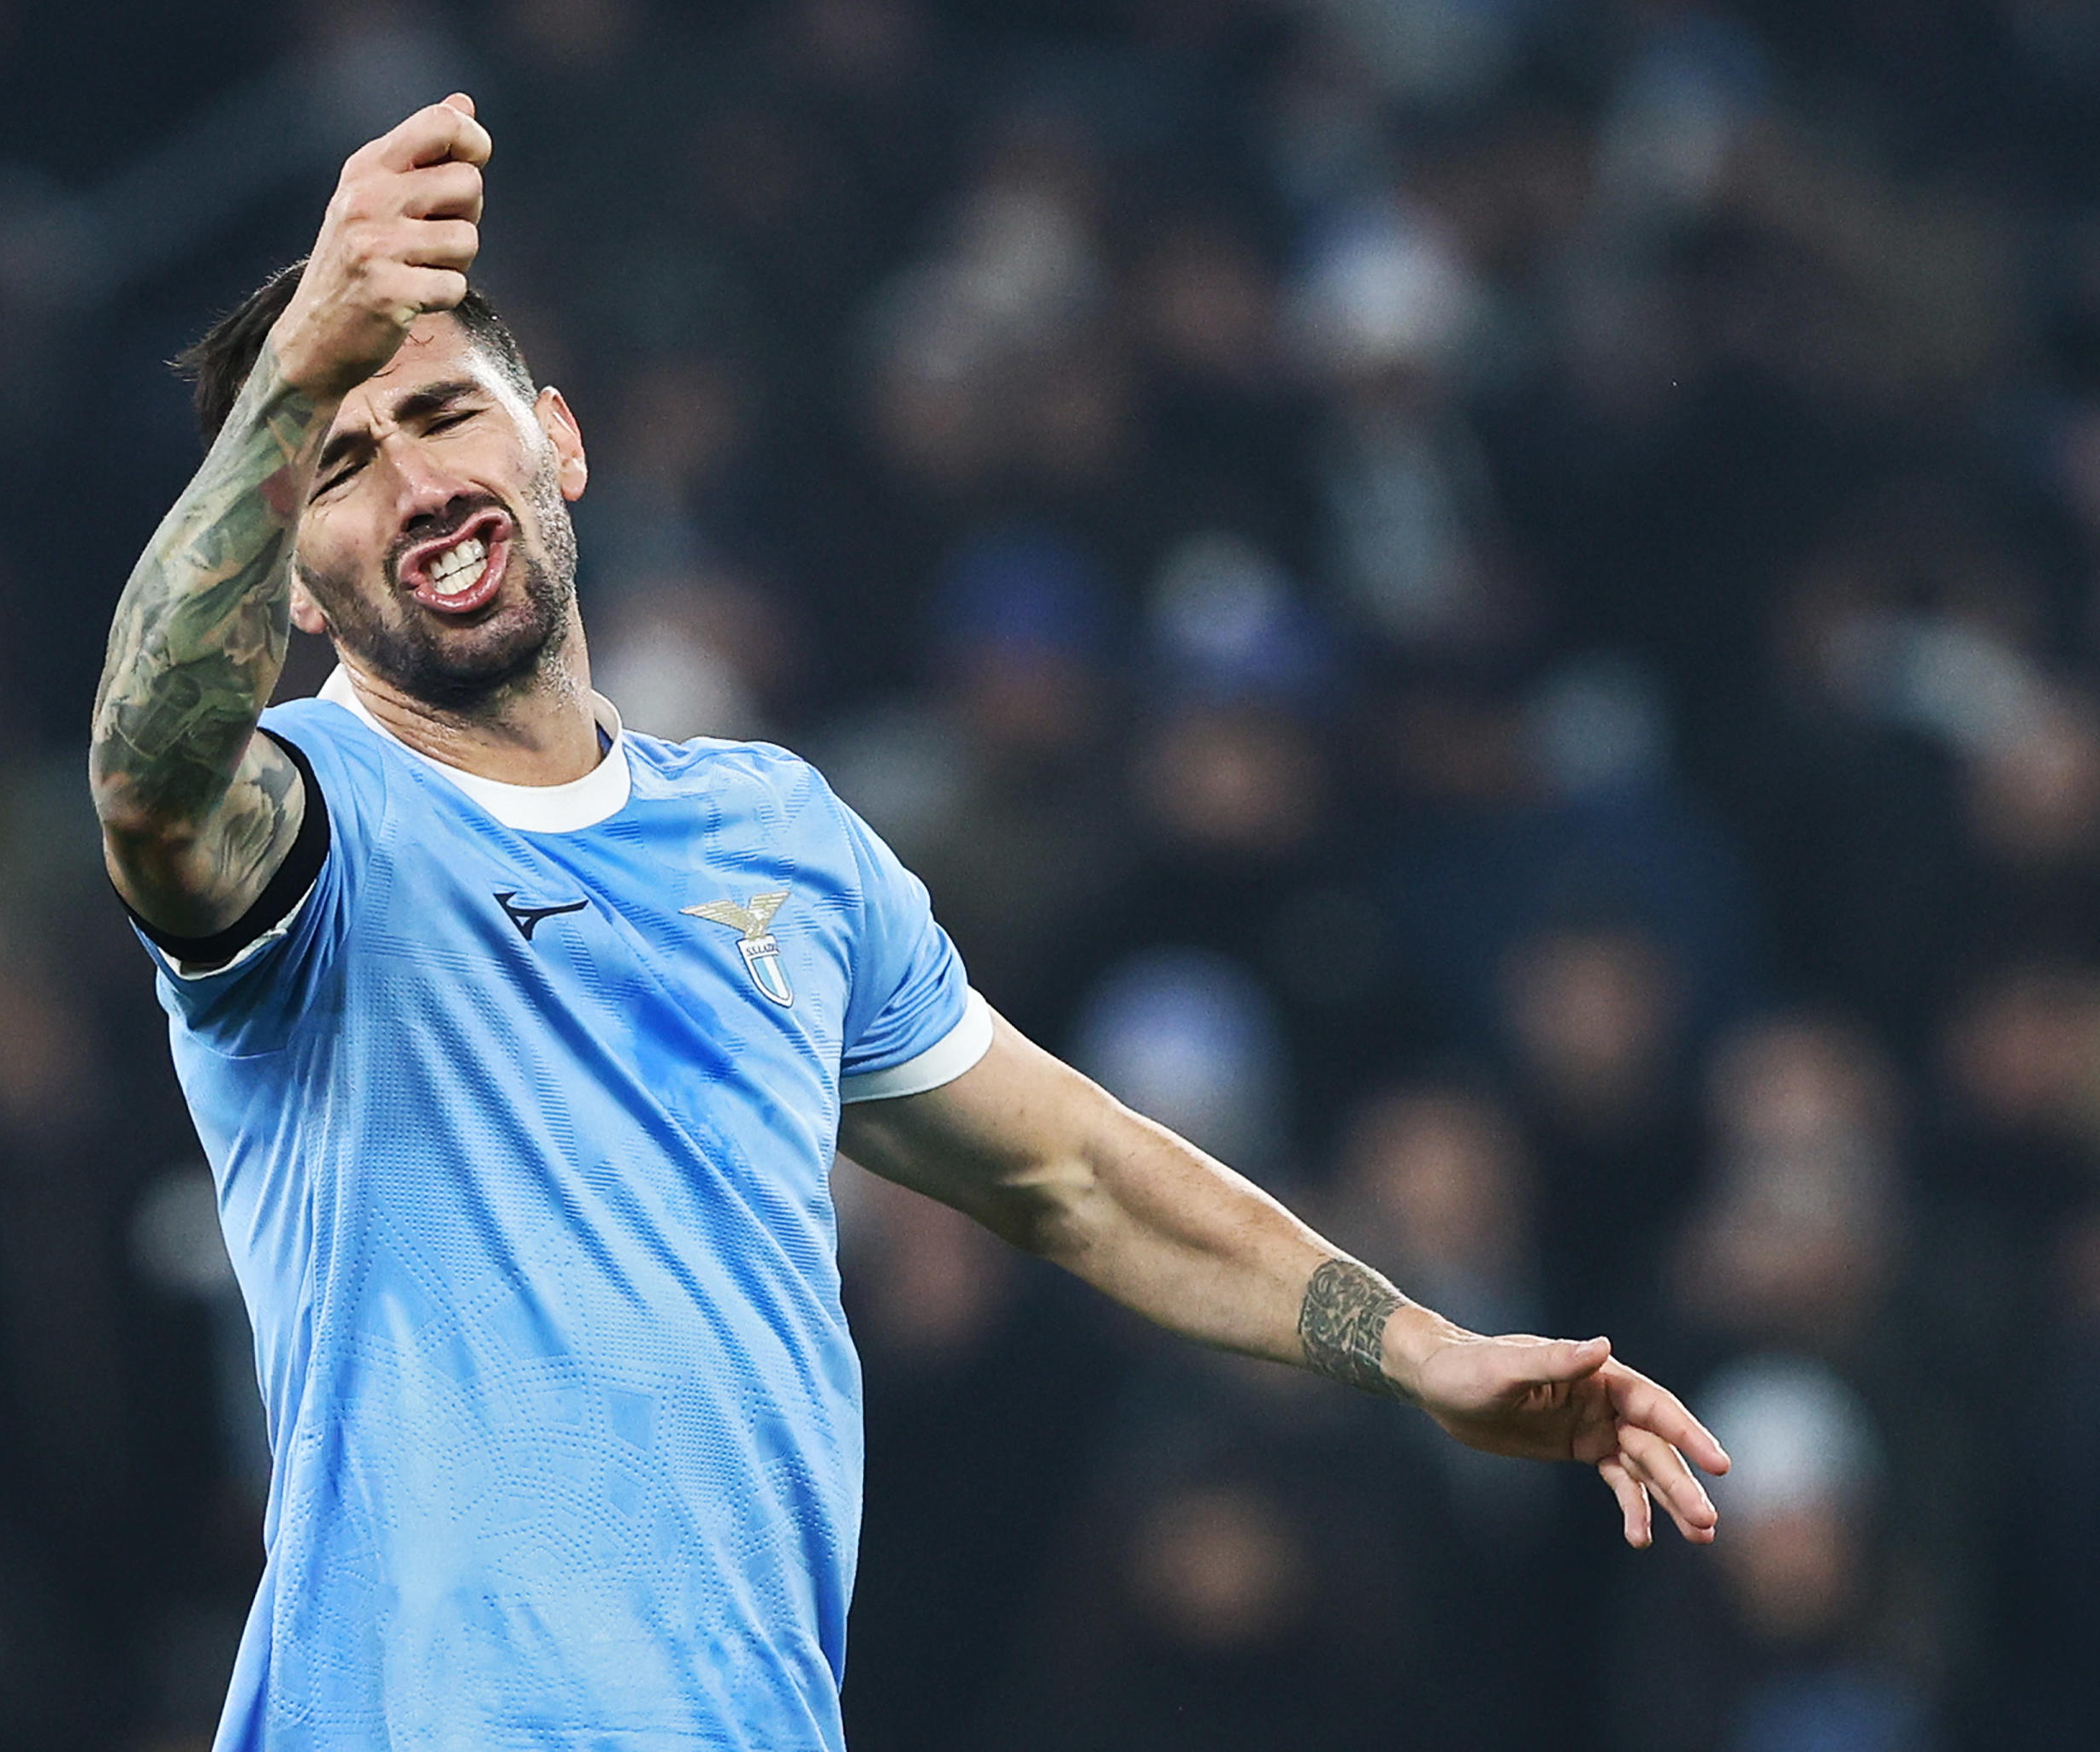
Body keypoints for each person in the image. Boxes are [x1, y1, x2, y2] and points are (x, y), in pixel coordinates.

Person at [87, 93, 1731, 1752]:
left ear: (561, 443)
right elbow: (151, 776)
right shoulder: (309, 821)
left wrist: (1426, 1351)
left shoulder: (776, 838)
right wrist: (298, 360)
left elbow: (1076, 1173)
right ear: (292, 579)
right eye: (338, 465)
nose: (418, 485)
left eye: (442, 412)